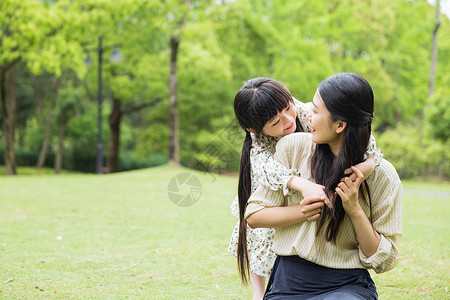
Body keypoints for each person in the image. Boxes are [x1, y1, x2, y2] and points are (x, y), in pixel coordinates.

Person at [244, 73, 402, 299]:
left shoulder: (383, 175)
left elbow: (384, 260)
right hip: (288, 284)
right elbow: (254, 214)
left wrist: (354, 209)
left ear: (340, 124)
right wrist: (302, 211)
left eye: (316, 111)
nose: (306, 116)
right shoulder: (293, 147)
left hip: (346, 285)